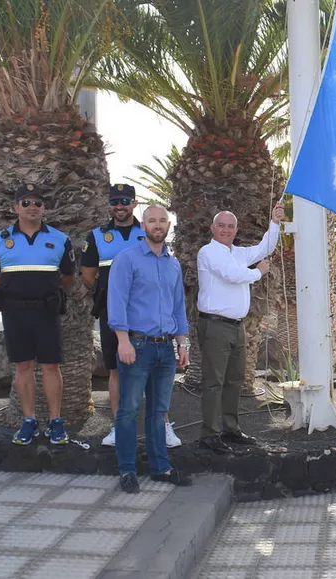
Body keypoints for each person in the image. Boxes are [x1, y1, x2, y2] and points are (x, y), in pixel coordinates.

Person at [82, 184, 180, 448]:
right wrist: (113, 298)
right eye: (115, 201)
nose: (120, 206)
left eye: (125, 201)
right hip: (112, 313)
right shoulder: (97, 236)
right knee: (115, 369)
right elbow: (88, 275)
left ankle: (164, 425)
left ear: (134, 204)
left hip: (145, 317)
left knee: (156, 374)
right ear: (109, 204)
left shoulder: (147, 229)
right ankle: (118, 427)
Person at [107, 204, 191, 493]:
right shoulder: (126, 259)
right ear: (142, 226)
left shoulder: (173, 264)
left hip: (166, 349)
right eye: (152, 221)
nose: (157, 225)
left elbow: (178, 306)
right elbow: (116, 302)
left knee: (159, 412)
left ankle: (160, 467)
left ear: (169, 226)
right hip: (136, 346)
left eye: (162, 221)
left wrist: (183, 344)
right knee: (128, 411)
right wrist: (123, 340)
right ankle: (127, 470)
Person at [0, 184, 75, 445]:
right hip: (15, 313)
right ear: (15, 208)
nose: (32, 207)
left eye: (37, 202)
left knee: (50, 366)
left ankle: (56, 421)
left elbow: (68, 276)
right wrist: (15, 291)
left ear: (44, 207)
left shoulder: (59, 239)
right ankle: (29, 421)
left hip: (47, 312)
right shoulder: (0, 240)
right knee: (23, 366)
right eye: (25, 203)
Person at [196, 205, 283, 453]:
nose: (226, 230)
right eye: (221, 225)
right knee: (214, 381)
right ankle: (210, 435)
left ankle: (230, 429)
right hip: (215, 325)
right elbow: (232, 275)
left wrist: (274, 223)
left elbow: (265, 248)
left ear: (236, 230)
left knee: (234, 380)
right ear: (212, 228)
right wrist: (259, 272)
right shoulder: (208, 252)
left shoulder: (239, 253)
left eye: (230, 226)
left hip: (236, 326)